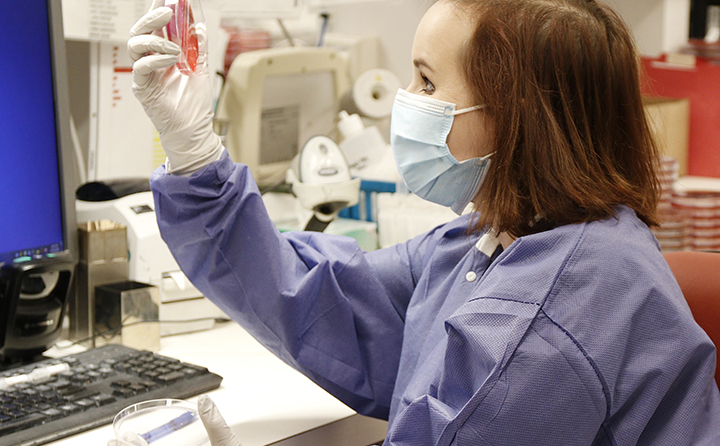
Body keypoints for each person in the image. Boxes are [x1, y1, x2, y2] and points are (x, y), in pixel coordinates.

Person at [126, 0, 720, 444]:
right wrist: (197, 155)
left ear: (518, 116)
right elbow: (321, 300)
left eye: (428, 81)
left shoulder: (541, 319)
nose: (406, 99)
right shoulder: (502, 239)